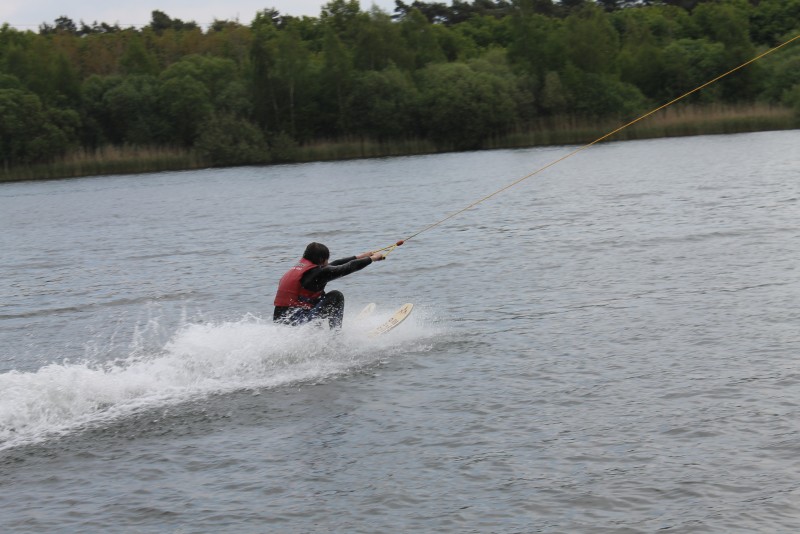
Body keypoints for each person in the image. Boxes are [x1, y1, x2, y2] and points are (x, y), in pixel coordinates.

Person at [273, 242, 384, 328]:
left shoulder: (303, 270)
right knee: (336, 296)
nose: (328, 263)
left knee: (319, 298)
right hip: (298, 321)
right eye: (327, 260)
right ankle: (335, 337)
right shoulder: (318, 273)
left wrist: (360, 257)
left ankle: (319, 332)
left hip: (282, 321)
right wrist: (372, 259)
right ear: (322, 260)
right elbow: (347, 268)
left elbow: (334, 264)